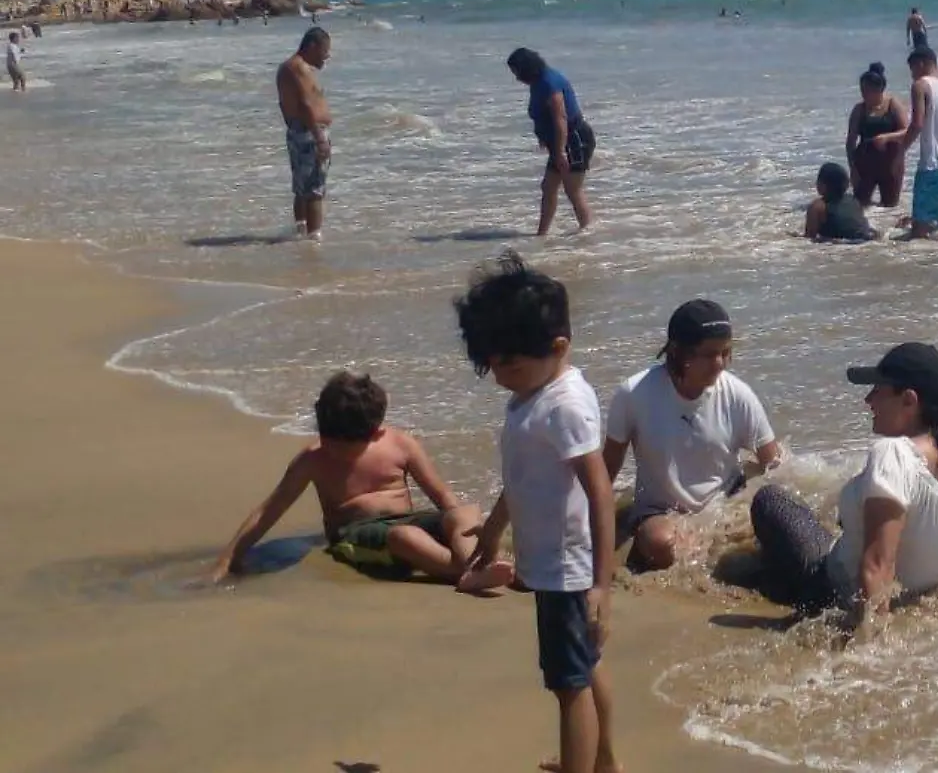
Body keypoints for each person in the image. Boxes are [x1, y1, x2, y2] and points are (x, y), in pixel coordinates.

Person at [457, 254, 619, 773]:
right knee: (586, 670)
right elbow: (525, 477)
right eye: (493, 365)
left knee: (568, 684)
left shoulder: (562, 406)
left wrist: (601, 584)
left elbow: (599, 492)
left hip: (567, 569)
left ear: (558, 348)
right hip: (553, 562)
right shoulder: (535, 393)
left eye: (511, 365)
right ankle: (604, 761)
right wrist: (496, 526)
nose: (501, 376)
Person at [748, 343, 938, 624]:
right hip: (925, 590)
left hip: (830, 589)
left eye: (877, 391)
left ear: (909, 400)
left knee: (770, 500)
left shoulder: (894, 455)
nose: (868, 400)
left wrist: (868, 650)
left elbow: (877, 567)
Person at [208, 371, 512, 589]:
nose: (332, 450)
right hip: (357, 536)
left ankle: (487, 564)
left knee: (465, 513)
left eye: (343, 446)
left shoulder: (400, 444)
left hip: (412, 521)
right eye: (327, 440)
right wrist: (227, 560)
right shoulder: (312, 460)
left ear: (376, 432)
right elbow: (268, 511)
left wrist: (456, 521)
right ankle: (464, 571)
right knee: (403, 537)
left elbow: (442, 496)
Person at [603, 299, 785, 570]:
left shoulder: (739, 395)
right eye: (710, 354)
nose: (720, 363)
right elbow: (606, 470)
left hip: (725, 505)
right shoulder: (634, 394)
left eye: (726, 352)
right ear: (678, 352)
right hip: (660, 511)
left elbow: (775, 465)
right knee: (660, 544)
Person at [876, 47, 938, 241]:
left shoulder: (921, 86)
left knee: (921, 222)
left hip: (934, 165)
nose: (912, 76)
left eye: (912, 70)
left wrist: (900, 153)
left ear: (920, 64)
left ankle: (922, 266)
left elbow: (917, 125)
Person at [507, 47, 596, 237]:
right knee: (548, 187)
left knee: (572, 189)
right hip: (560, 142)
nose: (516, 78)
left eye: (516, 72)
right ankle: (542, 235)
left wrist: (561, 151)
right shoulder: (537, 82)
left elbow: (560, 117)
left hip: (574, 139)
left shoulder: (549, 83)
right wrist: (544, 138)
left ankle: (588, 233)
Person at [275, 27, 332, 239]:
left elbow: (283, 106)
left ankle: (300, 232)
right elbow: (306, 104)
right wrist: (319, 137)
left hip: (298, 131)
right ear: (312, 46)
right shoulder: (298, 68)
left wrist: (294, 128)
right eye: (325, 50)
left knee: (301, 189)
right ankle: (314, 240)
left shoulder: (287, 68)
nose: (327, 56)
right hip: (309, 133)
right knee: (315, 191)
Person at [845, 62, 909, 207]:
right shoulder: (859, 109)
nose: (863, 94)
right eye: (862, 90)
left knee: (890, 206)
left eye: (867, 90)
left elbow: (907, 131)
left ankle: (887, 230)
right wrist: (853, 168)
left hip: (891, 163)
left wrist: (887, 137)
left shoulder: (893, 105)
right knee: (860, 205)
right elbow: (850, 142)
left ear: (879, 89)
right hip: (864, 164)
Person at [807, 163, 879, 242]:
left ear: (823, 185)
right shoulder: (853, 199)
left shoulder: (817, 206)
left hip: (845, 243)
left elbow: (810, 236)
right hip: (868, 237)